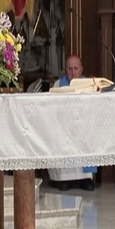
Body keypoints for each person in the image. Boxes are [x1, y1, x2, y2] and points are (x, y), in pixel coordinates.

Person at [48, 55, 96, 191]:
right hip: (64, 126)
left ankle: (86, 178)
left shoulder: (89, 85)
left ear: (81, 69)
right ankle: (64, 179)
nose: (73, 72)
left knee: (89, 135)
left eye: (76, 68)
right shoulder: (58, 85)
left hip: (83, 125)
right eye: (70, 69)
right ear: (66, 70)